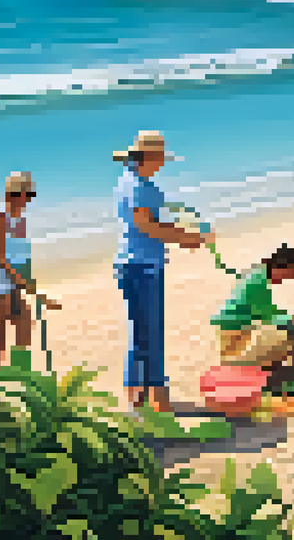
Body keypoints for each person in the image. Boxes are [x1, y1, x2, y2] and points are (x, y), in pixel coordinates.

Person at [112, 130, 213, 414]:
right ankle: (156, 401)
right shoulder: (140, 186)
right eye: (161, 157)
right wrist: (187, 237)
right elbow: (146, 226)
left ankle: (139, 400)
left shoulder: (129, 181)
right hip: (142, 266)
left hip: (134, 264)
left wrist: (183, 235)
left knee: (140, 334)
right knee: (150, 335)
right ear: (150, 157)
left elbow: (147, 225)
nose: (163, 163)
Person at [0, 172, 61, 372]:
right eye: (24, 194)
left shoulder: (21, 222)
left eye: (30, 195)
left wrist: (29, 282)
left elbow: (23, 258)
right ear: (12, 194)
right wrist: (21, 281)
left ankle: (18, 373)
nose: (27, 200)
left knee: (24, 324)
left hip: (14, 283)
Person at [212, 244, 294, 385]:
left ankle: (289, 374)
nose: (283, 281)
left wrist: (292, 316)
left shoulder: (257, 274)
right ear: (281, 267)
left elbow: (268, 311)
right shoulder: (256, 282)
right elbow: (269, 316)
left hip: (237, 333)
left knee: (285, 336)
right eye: (287, 276)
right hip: (235, 342)